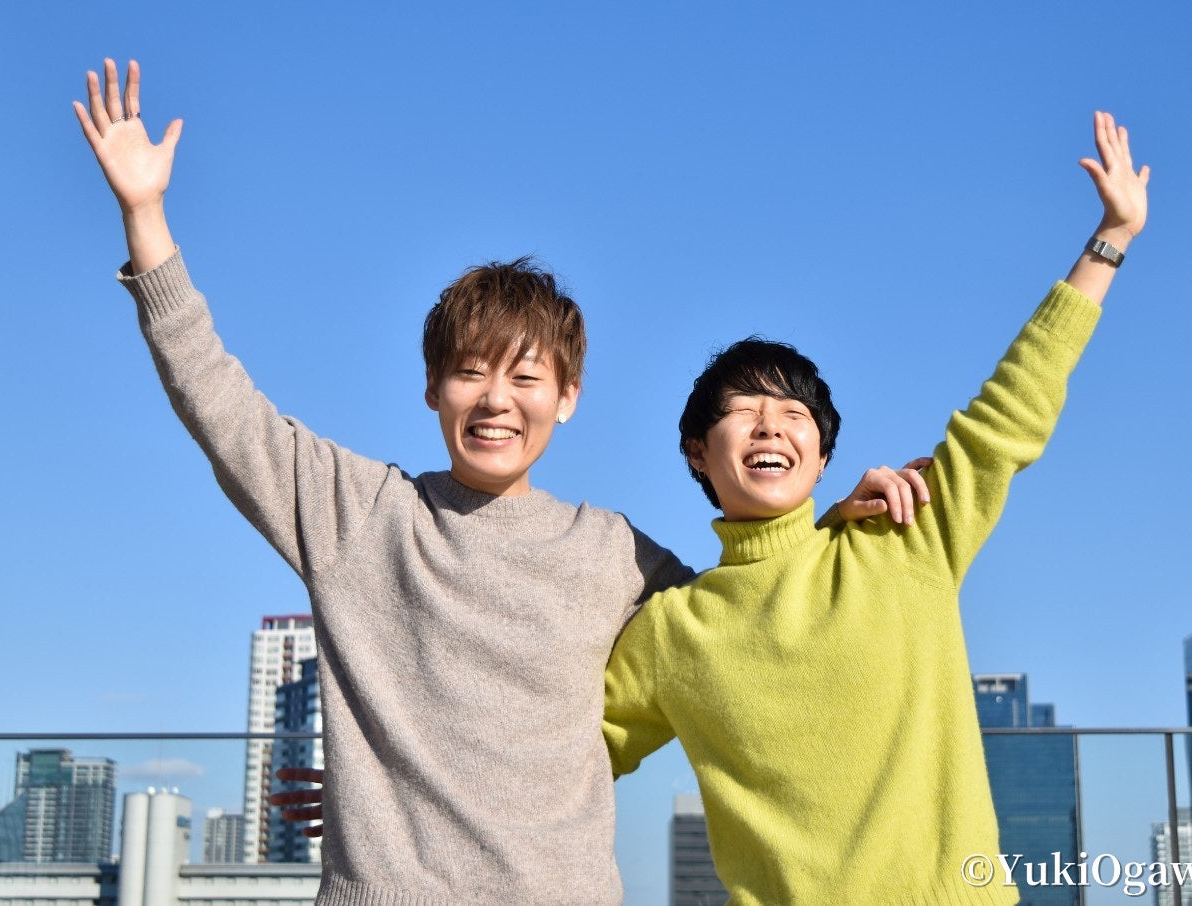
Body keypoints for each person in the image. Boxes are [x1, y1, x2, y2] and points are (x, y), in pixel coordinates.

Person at [74, 58, 930, 905]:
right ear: (432, 388)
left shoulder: (613, 553)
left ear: (568, 398)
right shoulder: (360, 514)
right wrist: (145, 216)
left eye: (526, 378)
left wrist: (824, 533)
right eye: (470, 372)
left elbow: (747, 623)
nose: (495, 400)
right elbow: (219, 402)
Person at [600, 110, 1148, 904]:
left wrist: (1111, 239)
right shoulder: (672, 632)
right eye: (744, 411)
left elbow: (1008, 415)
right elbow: (563, 755)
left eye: (795, 415)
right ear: (697, 453)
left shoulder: (902, 537)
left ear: (823, 457)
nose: (770, 426)